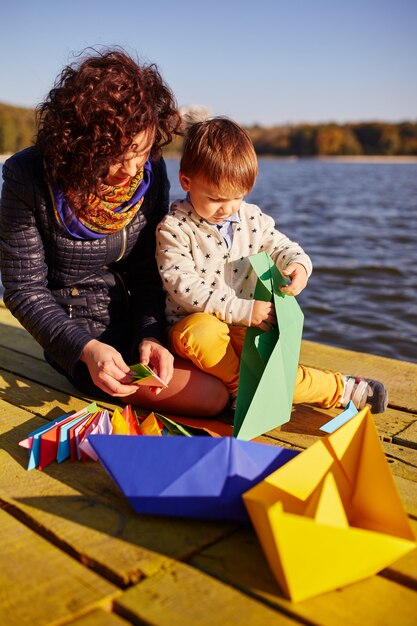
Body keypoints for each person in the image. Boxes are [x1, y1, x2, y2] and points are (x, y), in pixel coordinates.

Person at [0, 49, 229, 416]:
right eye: (114, 154)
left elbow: (147, 269)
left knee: (233, 367)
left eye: (139, 149)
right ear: (80, 144)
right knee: (213, 397)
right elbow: (24, 290)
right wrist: (85, 350)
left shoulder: (150, 169)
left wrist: (151, 334)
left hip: (152, 318)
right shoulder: (26, 178)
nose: (131, 166)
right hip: (82, 336)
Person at [156, 117, 388, 413]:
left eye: (237, 197)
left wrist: (299, 264)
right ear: (187, 182)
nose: (226, 209)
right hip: (196, 330)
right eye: (215, 198)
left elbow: (280, 245)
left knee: (272, 369)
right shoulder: (174, 228)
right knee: (200, 333)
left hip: (246, 323)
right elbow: (183, 286)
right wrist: (239, 309)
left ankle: (342, 389)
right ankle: (243, 388)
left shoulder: (250, 219)